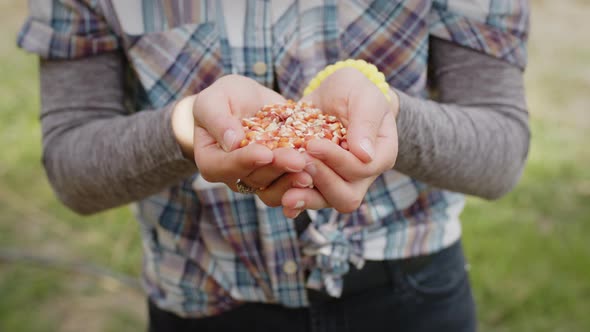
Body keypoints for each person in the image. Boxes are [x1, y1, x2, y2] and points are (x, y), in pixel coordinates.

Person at [18, 1, 530, 331]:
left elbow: (501, 154)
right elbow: (72, 169)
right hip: (203, 299)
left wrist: (392, 114)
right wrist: (183, 127)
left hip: (411, 296)